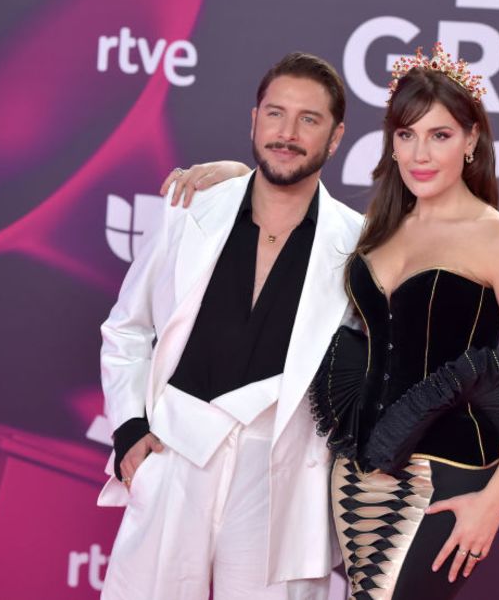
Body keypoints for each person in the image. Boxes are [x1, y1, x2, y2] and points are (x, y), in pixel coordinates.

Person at [167, 44, 499, 599]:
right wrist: (237, 173)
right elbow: (294, 200)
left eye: (440, 135)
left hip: (444, 476)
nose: (419, 154)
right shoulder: (377, 228)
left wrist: (492, 503)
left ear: (472, 140)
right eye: (406, 136)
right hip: (353, 479)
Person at [97, 52, 364, 600]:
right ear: (253, 120)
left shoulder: (361, 245)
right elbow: (126, 328)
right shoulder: (191, 209)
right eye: (275, 114)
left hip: (282, 476)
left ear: (335, 138)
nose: (286, 134)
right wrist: (129, 429)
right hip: (174, 454)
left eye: (308, 120)